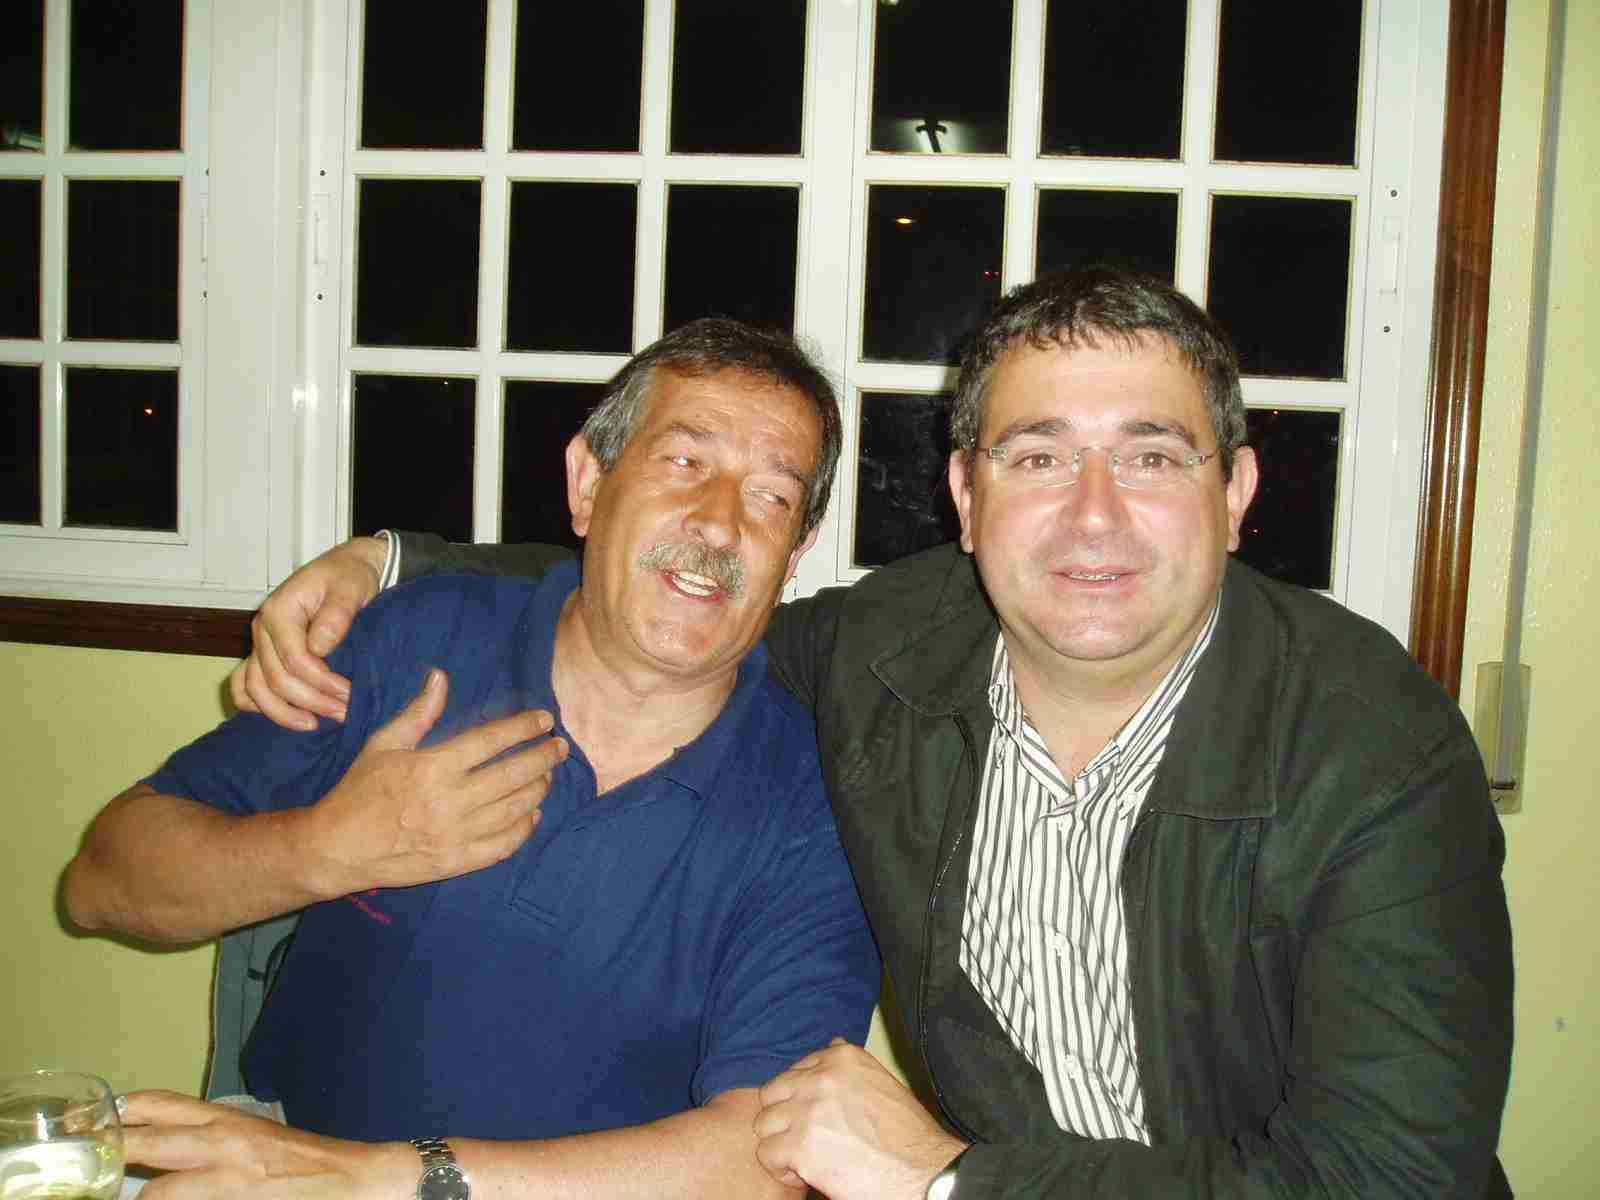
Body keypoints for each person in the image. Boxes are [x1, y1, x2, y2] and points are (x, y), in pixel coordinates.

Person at [230, 267, 1515, 1199]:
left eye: (1152, 457)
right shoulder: (896, 652)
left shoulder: (1370, 748)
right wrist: (393, 562)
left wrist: (950, 1180)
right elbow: (685, 589)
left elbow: (1395, 1177)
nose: (1092, 514)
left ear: (1233, 493)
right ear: (964, 495)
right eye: (1035, 457)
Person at [62, 318, 880, 1199]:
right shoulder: (424, 642)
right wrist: (327, 847)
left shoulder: (817, 795)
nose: (719, 523)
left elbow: (767, 1159)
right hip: (291, 1160)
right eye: (684, 462)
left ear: (793, 556)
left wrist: (380, 1181)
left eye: (771, 498)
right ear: (588, 483)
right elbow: (102, 882)